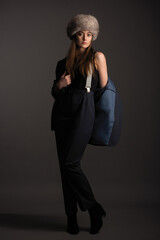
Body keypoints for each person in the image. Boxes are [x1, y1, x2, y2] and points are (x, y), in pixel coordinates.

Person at [51, 14, 108, 234]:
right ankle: (71, 217)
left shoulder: (97, 57)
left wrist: (98, 120)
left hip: (84, 114)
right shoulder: (62, 64)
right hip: (62, 117)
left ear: (93, 37)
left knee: (70, 164)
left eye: (89, 34)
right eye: (81, 33)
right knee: (65, 169)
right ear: (74, 35)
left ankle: (93, 207)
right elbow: (55, 94)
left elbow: (103, 92)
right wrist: (59, 84)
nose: (85, 37)